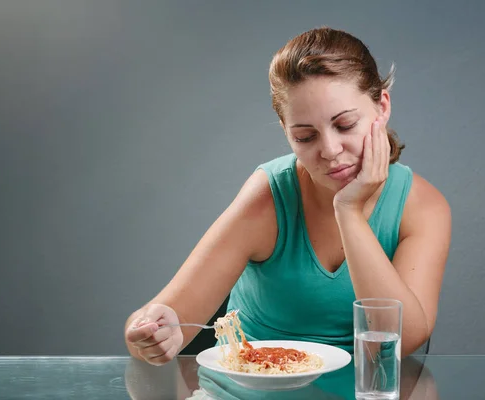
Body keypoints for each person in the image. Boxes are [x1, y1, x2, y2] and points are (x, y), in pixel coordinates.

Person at [124, 26, 451, 366]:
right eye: (306, 137)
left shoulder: (423, 206)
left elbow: (404, 340)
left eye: (345, 125)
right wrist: (150, 333)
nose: (330, 150)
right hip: (255, 385)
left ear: (381, 106)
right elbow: (159, 318)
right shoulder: (269, 195)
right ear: (286, 132)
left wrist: (349, 212)